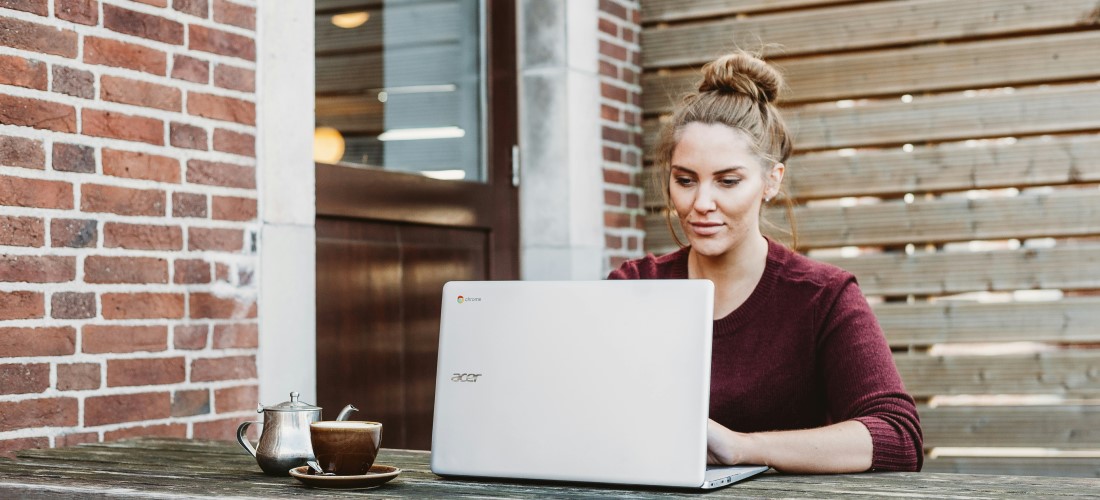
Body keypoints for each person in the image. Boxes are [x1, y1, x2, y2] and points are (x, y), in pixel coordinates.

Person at [607, 51, 923, 473]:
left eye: (728, 181)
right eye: (685, 180)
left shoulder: (823, 297)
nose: (701, 203)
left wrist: (741, 447)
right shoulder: (634, 286)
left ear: (771, 182)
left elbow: (898, 436)